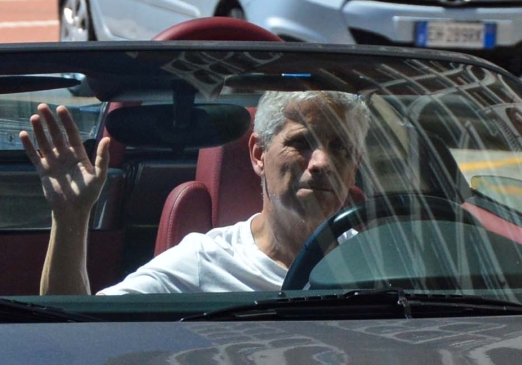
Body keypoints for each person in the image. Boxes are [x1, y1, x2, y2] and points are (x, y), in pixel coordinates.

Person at [25, 91, 364, 296]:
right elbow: (73, 334)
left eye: (340, 148)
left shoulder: (380, 259)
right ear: (259, 155)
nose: (322, 162)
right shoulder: (207, 262)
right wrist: (70, 217)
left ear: (354, 168)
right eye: (302, 143)